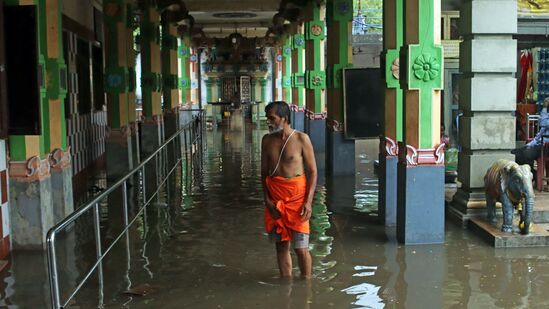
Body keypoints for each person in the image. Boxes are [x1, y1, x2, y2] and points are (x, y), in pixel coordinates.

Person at [261, 101, 317, 279]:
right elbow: (263, 173)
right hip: (275, 202)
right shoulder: (266, 140)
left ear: (284, 118)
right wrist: (267, 200)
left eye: (272, 118)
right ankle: (286, 285)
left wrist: (308, 202)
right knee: (281, 246)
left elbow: (313, 171)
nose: (268, 122)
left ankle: (306, 285)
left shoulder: (302, 139)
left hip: (298, 202)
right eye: (267, 118)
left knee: (301, 248)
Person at [513, 97, 549, 166]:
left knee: (525, 155)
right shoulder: (547, 117)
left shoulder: (545, 119)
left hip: (546, 147)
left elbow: (543, 123)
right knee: (514, 153)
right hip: (540, 145)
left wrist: (544, 107)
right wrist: (529, 145)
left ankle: (532, 173)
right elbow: (539, 136)